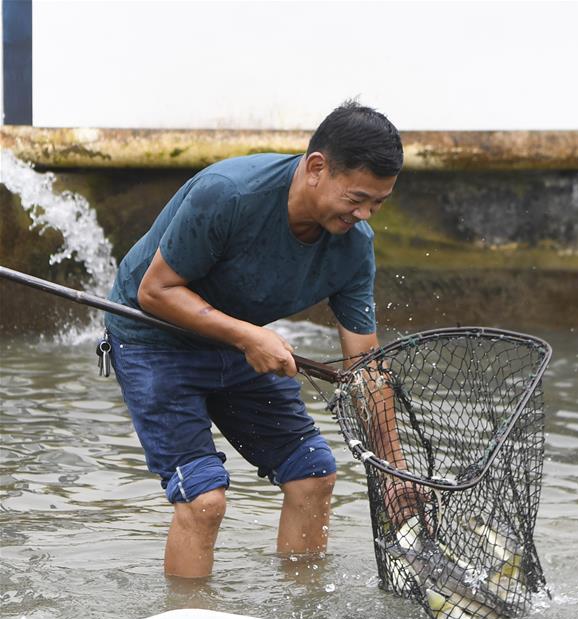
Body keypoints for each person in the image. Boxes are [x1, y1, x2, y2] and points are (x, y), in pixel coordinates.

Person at [105, 101, 404, 578]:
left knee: (314, 475)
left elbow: (365, 367)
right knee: (204, 500)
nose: (365, 214)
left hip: (238, 338)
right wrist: (247, 336)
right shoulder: (228, 195)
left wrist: (395, 474)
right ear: (317, 168)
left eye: (379, 203)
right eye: (357, 198)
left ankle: (303, 617)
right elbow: (155, 291)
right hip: (153, 335)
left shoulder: (353, 246)